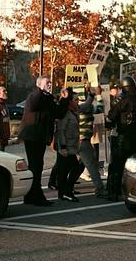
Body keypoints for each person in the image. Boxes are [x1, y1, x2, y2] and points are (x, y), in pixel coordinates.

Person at [18, 77, 69, 206]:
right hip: (32, 136)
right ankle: (36, 195)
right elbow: (34, 104)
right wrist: (40, 90)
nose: (50, 84)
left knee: (37, 166)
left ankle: (31, 195)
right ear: (39, 84)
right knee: (35, 166)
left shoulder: (47, 98)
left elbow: (59, 113)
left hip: (41, 137)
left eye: (50, 82)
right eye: (47, 83)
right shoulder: (34, 96)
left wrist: (64, 99)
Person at [77, 85, 108, 198]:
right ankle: (100, 188)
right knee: (92, 166)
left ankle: (67, 186)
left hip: (81, 141)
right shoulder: (81, 108)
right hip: (83, 141)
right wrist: (96, 94)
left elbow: (98, 109)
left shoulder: (83, 108)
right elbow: (99, 108)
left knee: (79, 166)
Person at [55, 93, 81, 202]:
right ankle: (66, 191)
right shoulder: (66, 114)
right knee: (75, 168)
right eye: (75, 100)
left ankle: (63, 193)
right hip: (66, 146)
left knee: (64, 170)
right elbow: (61, 130)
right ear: (70, 102)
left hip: (71, 146)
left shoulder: (73, 113)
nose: (78, 101)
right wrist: (63, 147)